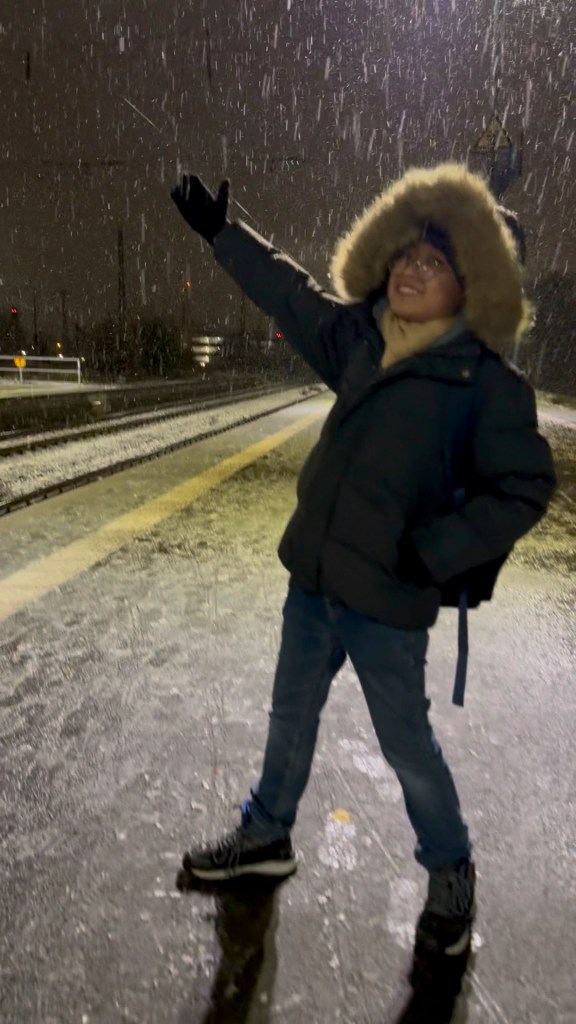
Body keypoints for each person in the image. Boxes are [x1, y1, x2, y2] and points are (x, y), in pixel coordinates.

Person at [170, 163, 556, 957]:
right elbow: (290, 295)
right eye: (408, 255)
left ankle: (451, 870)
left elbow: (524, 487)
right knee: (289, 718)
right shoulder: (360, 338)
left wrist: (434, 553)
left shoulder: (486, 385)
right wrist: (222, 235)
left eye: (435, 262)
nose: (411, 269)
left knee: (407, 746)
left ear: (474, 287)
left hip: (388, 598)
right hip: (314, 579)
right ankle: (266, 836)